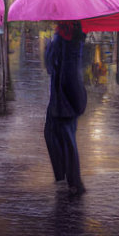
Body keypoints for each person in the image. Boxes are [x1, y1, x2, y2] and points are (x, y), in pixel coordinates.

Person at [44, 21, 88, 195]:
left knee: (63, 137)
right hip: (65, 96)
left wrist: (50, 48)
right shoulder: (68, 36)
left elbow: (54, 67)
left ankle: (72, 182)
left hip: (65, 97)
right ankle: (67, 180)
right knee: (56, 135)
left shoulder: (67, 39)